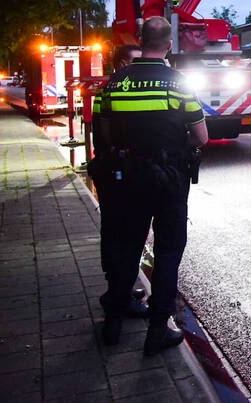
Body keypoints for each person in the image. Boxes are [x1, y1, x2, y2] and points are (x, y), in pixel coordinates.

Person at [93, 16, 208, 356]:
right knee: (168, 251)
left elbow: (104, 135)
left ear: (140, 41)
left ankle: (113, 323)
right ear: (169, 45)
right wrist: (173, 148)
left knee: (126, 247)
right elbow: (201, 136)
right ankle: (158, 330)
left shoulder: (114, 83)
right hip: (169, 179)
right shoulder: (179, 84)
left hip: (127, 179)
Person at [92, 44, 144, 319]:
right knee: (123, 235)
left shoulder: (109, 89)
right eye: (137, 61)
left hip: (110, 169)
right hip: (117, 172)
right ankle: (118, 298)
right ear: (123, 63)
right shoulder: (116, 91)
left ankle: (120, 289)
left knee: (117, 233)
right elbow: (113, 136)